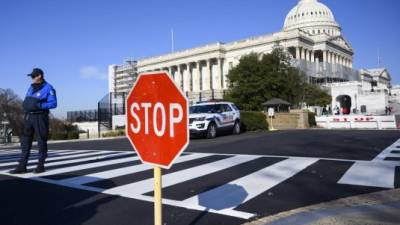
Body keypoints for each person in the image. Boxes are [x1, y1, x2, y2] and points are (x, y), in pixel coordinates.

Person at [10, 68, 57, 174]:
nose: (32, 78)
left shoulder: (49, 88)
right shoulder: (31, 87)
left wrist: (40, 105)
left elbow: (53, 103)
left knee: (41, 140)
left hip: (40, 117)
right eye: (31, 76)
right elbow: (28, 100)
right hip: (29, 117)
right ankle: (22, 166)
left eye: (33, 76)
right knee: (25, 141)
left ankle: (41, 165)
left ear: (39, 76)